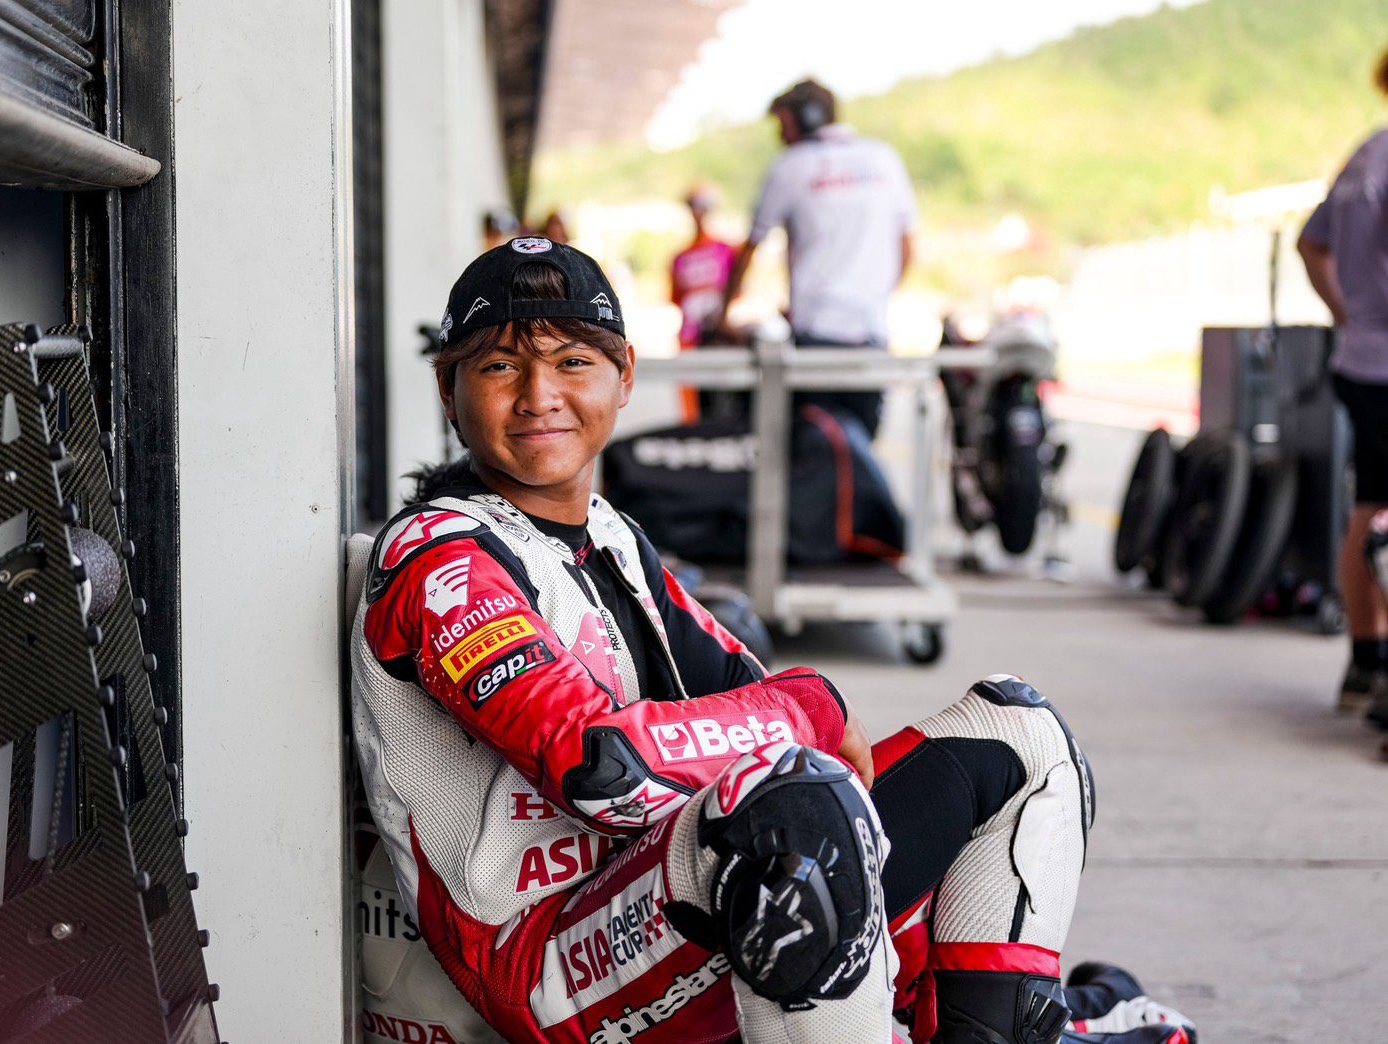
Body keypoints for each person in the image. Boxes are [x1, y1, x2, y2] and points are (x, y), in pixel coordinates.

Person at [353, 237, 1194, 1044]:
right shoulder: (438, 558)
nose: (539, 395)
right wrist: (814, 710)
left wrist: (810, 738)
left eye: (573, 361)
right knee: (798, 808)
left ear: (624, 376)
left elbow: (748, 697)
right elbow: (599, 767)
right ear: (449, 389)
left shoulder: (609, 536)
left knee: (1018, 733)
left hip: (670, 900)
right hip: (543, 961)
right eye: (500, 367)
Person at [713, 79, 917, 439]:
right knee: (858, 452)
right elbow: (907, 247)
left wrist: (724, 316)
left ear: (802, 119)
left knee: (814, 450)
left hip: (814, 340)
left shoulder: (790, 166)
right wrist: (875, 296)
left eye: (782, 125)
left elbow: (751, 248)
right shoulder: (884, 159)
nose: (780, 136)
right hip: (872, 335)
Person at [1298, 46, 1388, 730]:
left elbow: (1311, 242)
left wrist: (1346, 312)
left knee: (1369, 508)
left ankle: (1365, 660)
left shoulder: (1367, 156)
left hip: (1361, 360)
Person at [670, 185, 738, 420]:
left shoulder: (726, 251)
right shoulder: (680, 258)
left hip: (719, 338)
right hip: (691, 338)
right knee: (694, 408)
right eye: (694, 206)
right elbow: (676, 298)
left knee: (723, 404)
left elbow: (737, 293)